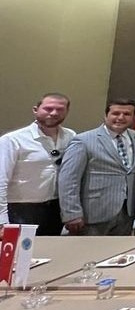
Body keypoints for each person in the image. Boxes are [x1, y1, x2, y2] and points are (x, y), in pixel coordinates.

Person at [58, 97, 135, 235]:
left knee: (121, 249)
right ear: (106, 115)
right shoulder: (83, 140)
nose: (121, 117)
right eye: (116, 113)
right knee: (88, 250)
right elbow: (68, 179)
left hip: (126, 213)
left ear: (134, 117)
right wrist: (71, 213)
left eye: (127, 114)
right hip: (93, 214)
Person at [0, 92, 75, 233]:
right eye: (48, 108)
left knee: (52, 247)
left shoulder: (71, 136)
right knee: (21, 247)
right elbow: (1, 180)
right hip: (20, 209)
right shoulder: (12, 140)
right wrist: (1, 220)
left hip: (55, 208)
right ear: (35, 110)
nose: (54, 113)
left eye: (60, 109)